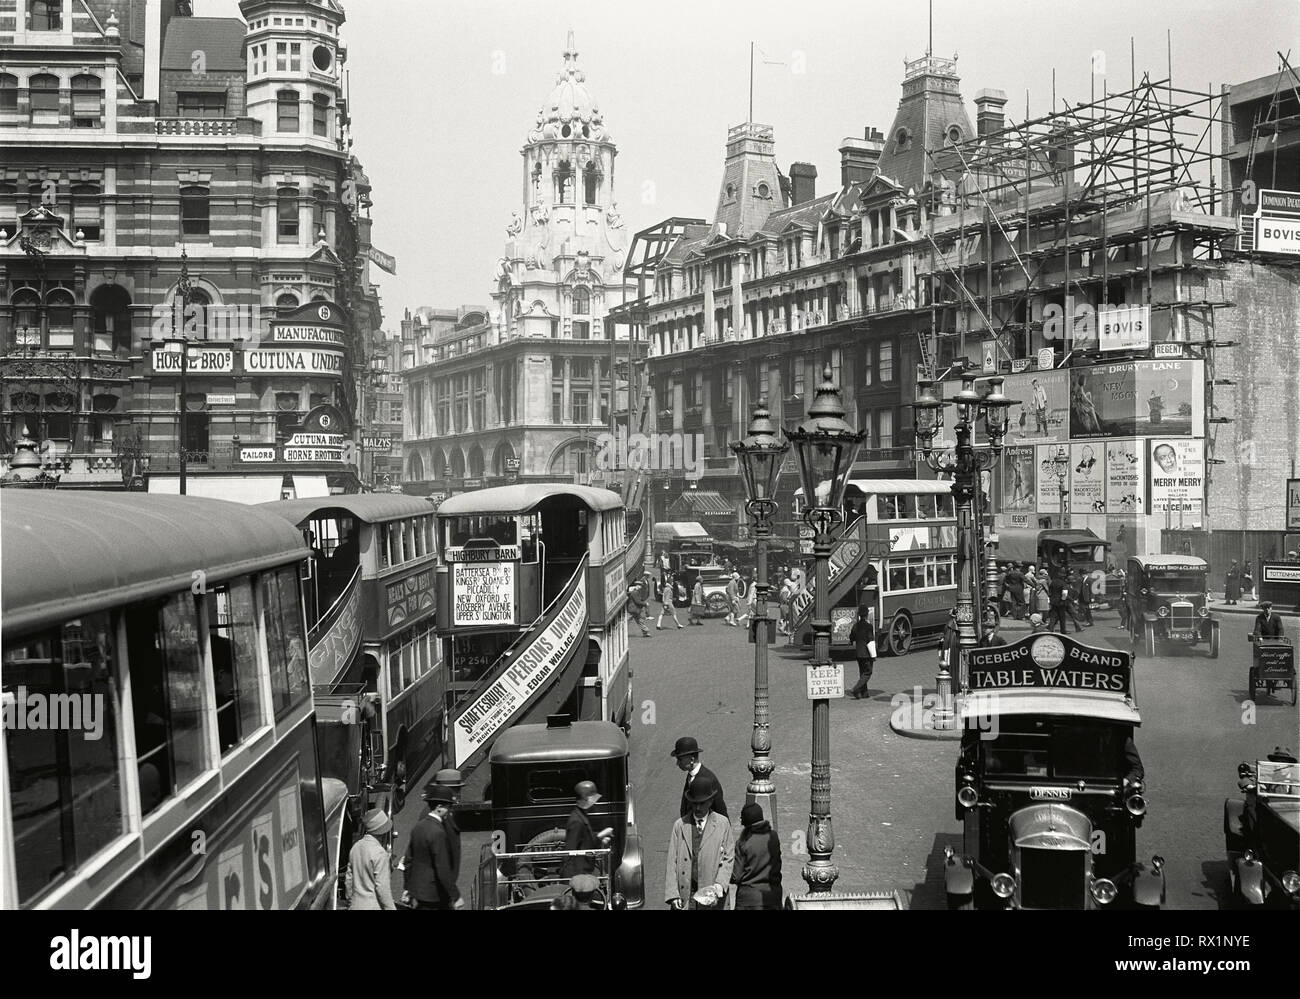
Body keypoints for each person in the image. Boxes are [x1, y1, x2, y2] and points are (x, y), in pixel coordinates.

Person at [665, 773, 734, 910]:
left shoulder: (722, 824)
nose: (698, 808)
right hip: (686, 897)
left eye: (702, 804)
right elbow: (672, 862)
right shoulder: (680, 826)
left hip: (712, 896)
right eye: (694, 803)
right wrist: (673, 894)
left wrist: (719, 885)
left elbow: (729, 857)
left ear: (710, 801)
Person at [402, 785, 462, 910]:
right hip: (436, 895)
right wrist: (455, 896)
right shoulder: (438, 832)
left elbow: (408, 861)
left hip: (419, 893)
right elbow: (442, 868)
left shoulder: (418, 827)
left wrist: (408, 888)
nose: (450, 810)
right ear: (439, 807)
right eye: (448, 806)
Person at [731, 803, 782, 910]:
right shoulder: (773, 837)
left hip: (748, 900)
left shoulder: (743, 842)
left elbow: (737, 876)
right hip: (772, 897)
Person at [346, 807, 395, 910]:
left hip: (355, 905)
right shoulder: (380, 853)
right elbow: (382, 888)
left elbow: (349, 880)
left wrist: (350, 901)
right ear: (383, 831)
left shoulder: (356, 847)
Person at [563, 780, 613, 878]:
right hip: (577, 873)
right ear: (585, 799)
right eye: (593, 799)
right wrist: (569, 878)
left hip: (583, 871)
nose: (595, 803)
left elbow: (586, 840)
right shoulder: (576, 821)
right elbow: (570, 851)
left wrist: (601, 836)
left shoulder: (581, 816)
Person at [673, 736, 729, 819]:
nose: (677, 763)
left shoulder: (709, 779)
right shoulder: (691, 775)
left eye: (679, 759)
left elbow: (720, 811)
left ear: (692, 759)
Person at [847, 605, 876, 699]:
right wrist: (873, 654)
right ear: (867, 614)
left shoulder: (855, 626)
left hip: (858, 653)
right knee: (868, 672)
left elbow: (851, 637)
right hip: (867, 653)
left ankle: (864, 693)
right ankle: (856, 688)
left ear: (859, 614)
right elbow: (870, 639)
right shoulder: (869, 626)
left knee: (862, 672)